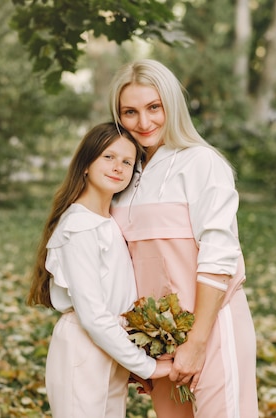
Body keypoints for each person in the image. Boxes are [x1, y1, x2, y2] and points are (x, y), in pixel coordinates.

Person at [108, 59, 259, 417]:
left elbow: (219, 256)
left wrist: (197, 343)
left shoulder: (202, 163)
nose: (144, 123)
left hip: (211, 329)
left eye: (154, 107)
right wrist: (135, 349)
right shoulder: (123, 176)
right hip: (158, 342)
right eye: (130, 112)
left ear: (171, 105)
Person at [27, 122, 173, 417]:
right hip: (84, 348)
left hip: (111, 345)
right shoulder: (79, 226)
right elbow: (93, 317)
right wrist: (148, 366)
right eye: (108, 157)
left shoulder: (109, 223)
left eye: (127, 161)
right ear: (86, 163)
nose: (118, 167)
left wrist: (133, 356)